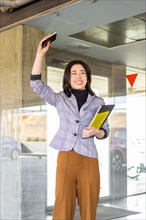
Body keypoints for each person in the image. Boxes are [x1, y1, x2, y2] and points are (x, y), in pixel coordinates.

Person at [30, 34, 109, 220]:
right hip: (65, 156)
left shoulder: (99, 101)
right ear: (68, 77)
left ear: (88, 77)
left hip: (89, 158)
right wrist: (40, 54)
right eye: (74, 73)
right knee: (62, 208)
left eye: (82, 72)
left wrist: (97, 131)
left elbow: (105, 131)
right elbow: (37, 85)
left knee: (89, 209)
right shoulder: (60, 98)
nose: (78, 76)